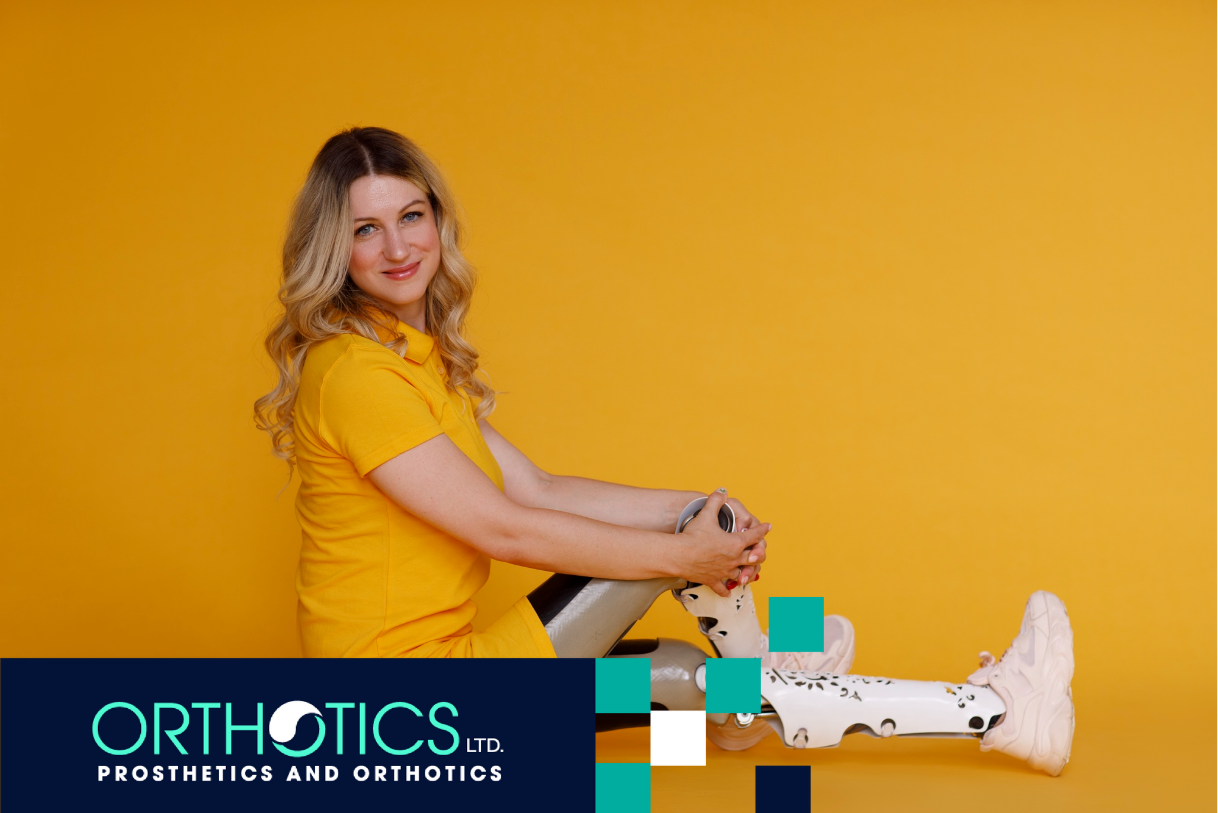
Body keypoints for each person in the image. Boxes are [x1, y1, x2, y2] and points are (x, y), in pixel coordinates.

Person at [255, 127, 1075, 775]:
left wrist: (693, 507)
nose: (398, 246)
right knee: (677, 571)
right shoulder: (354, 376)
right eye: (367, 228)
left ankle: (756, 691)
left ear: (437, 221)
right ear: (337, 249)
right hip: (417, 709)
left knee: (692, 676)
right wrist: (686, 548)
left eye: (411, 216)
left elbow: (536, 486)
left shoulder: (404, 361)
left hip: (428, 709)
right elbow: (505, 531)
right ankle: (991, 708)